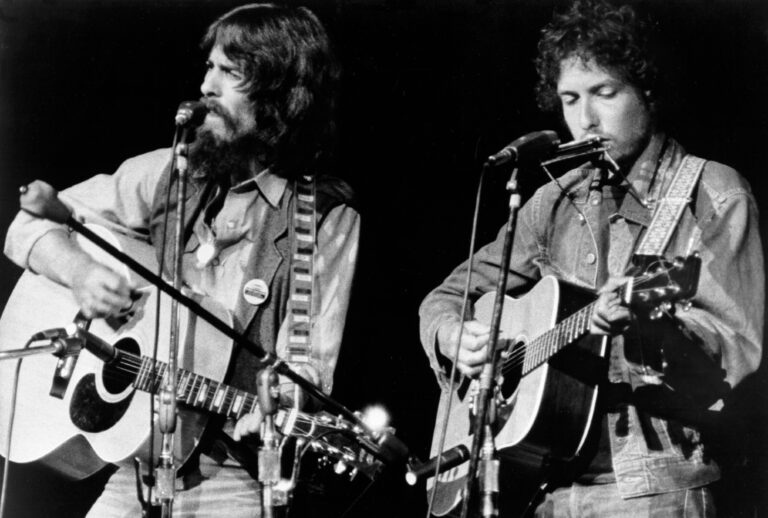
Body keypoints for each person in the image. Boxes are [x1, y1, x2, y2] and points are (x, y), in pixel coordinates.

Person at [4, 3, 359, 517]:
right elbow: (28, 226)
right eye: (210, 67)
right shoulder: (168, 174)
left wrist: (277, 408)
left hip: (234, 472)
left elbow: (307, 367)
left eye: (230, 73)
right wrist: (81, 273)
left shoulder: (322, 216)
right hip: (139, 464)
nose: (207, 87)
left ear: (282, 95)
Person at [418, 0, 763, 516]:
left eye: (605, 93)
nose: (586, 118)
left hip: (652, 486)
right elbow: (447, 296)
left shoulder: (712, 191)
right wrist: (452, 335)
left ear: (646, 90)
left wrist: (646, 333)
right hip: (544, 485)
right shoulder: (554, 200)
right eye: (570, 99)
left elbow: (736, 351)